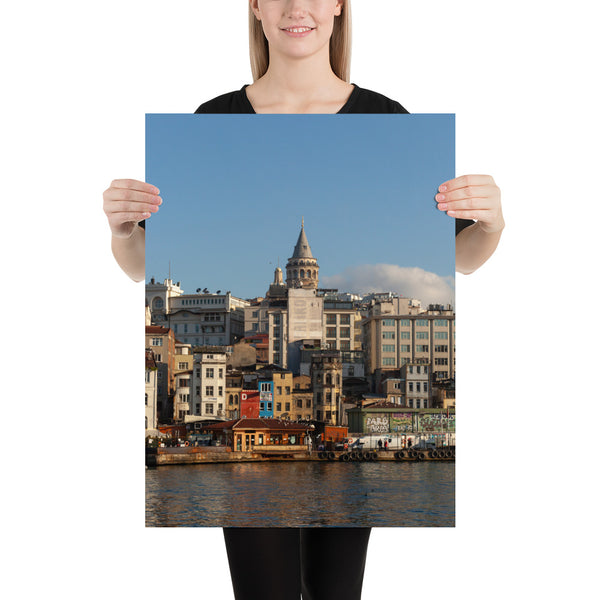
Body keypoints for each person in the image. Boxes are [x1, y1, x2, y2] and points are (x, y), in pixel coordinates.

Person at [103, 2, 504, 599]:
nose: (298, 7)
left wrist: (492, 224)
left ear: (340, 6)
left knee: (336, 593)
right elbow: (139, 271)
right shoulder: (213, 117)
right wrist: (122, 230)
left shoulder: (385, 115)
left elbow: (461, 259)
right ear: (256, 8)